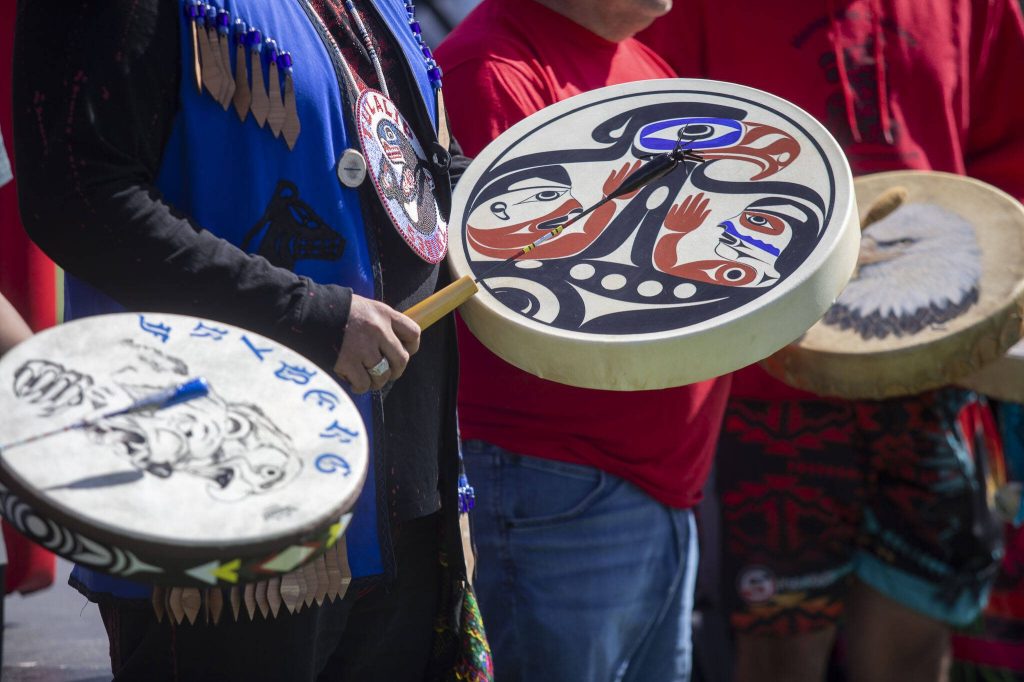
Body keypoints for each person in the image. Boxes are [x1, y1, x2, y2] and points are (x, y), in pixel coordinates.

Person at [13, 1, 482, 680]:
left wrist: (524, 207)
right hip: (229, 511)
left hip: (408, 506)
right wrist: (303, 315)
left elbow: (414, 172)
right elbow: (77, 197)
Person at [640, 2, 1024, 680]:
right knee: (778, 655)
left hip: (932, 378)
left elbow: (1008, 159)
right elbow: (649, 162)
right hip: (770, 388)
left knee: (913, 647)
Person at [436, 2, 732, 680]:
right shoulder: (488, 70)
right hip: (558, 487)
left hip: (659, 485)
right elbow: (532, 293)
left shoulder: (640, 60)